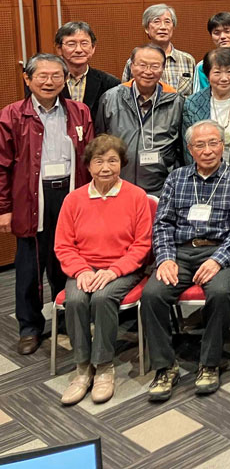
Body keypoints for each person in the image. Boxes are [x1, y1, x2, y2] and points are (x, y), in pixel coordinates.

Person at [142, 121, 230, 402]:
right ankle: (165, 367)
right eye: (200, 145)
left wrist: (217, 260)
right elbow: (162, 224)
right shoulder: (176, 178)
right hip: (180, 253)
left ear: (222, 146)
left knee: (220, 293)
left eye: (213, 143)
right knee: (152, 295)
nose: (208, 150)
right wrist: (165, 258)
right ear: (190, 149)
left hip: (220, 252)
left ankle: (209, 363)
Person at [0, 54, 93, 355]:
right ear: (27, 79)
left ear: (65, 79)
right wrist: (4, 208)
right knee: (30, 266)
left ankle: (66, 320)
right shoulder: (12, 115)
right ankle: (29, 328)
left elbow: (90, 157)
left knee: (67, 261)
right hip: (31, 197)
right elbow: (2, 166)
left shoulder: (79, 111)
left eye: (56, 76)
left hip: (70, 193)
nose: (49, 81)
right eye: (42, 75)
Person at [53, 134, 152, 405]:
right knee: (75, 299)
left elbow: (142, 244)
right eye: (99, 161)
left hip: (122, 268)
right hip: (84, 268)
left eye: (112, 161)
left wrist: (114, 271)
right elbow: (63, 245)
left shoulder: (136, 196)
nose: (105, 167)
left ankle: (104, 366)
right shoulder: (73, 200)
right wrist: (81, 271)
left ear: (122, 163)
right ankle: (83, 368)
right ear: (88, 166)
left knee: (102, 297)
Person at [96, 44, 184, 195]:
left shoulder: (176, 102)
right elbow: (99, 142)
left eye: (155, 66)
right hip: (118, 187)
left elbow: (181, 149)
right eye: (142, 65)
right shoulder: (110, 98)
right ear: (131, 67)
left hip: (161, 189)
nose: (148, 71)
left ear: (163, 69)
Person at [182, 48, 230, 164]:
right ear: (207, 75)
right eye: (217, 73)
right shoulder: (193, 103)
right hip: (204, 168)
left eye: (229, 72)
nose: (224, 78)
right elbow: (188, 146)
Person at [121, 4, 195, 97]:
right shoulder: (135, 62)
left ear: (173, 27)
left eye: (167, 22)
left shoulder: (187, 60)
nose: (163, 27)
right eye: (157, 21)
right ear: (147, 28)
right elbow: (124, 95)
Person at [55, 21, 120, 118]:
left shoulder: (110, 83)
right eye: (71, 44)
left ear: (93, 48)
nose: (78, 50)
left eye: (84, 44)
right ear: (59, 49)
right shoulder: (49, 82)